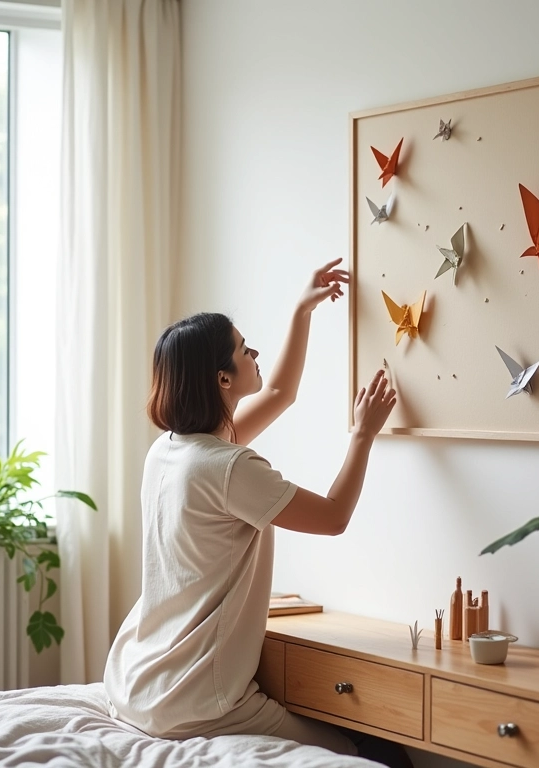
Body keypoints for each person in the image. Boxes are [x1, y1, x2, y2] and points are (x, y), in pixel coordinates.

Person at [103, 259, 412, 767]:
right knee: (379, 755)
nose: (255, 352)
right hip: (196, 700)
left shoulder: (172, 450)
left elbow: (278, 394)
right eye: (245, 349)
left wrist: (303, 310)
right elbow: (333, 517)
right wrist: (363, 435)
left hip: (136, 681)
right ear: (224, 376)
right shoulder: (230, 467)